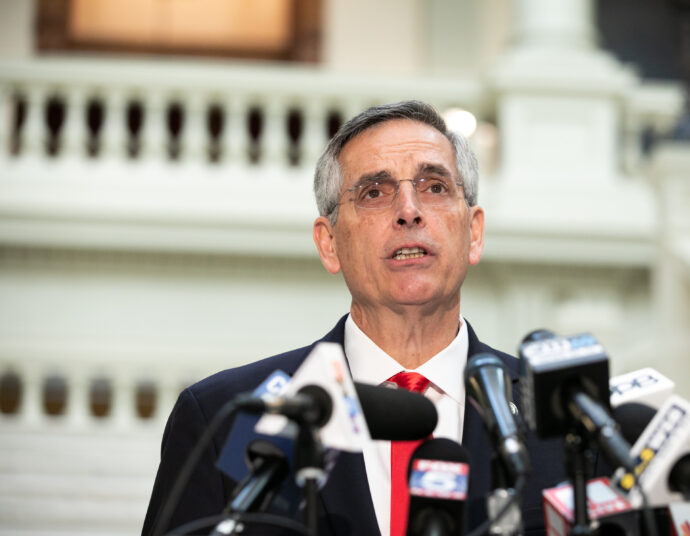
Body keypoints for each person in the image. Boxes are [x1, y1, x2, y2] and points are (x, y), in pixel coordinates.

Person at [142, 101, 569, 536]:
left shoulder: (565, 424)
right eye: (374, 192)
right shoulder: (228, 421)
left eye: (435, 187)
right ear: (329, 244)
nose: (409, 210)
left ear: (474, 233)